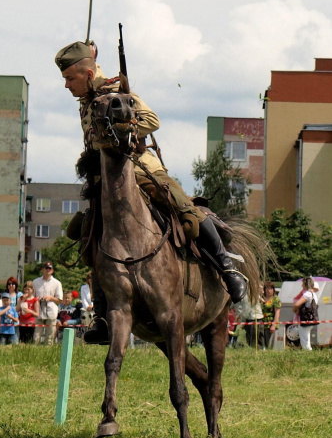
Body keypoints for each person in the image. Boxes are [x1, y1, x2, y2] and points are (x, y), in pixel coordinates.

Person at [55, 40, 247, 343]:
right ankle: (103, 314)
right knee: (89, 232)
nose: (66, 85)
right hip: (106, 178)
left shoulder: (118, 95)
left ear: (87, 74)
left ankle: (227, 269)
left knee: (184, 206)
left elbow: (152, 120)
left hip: (140, 166)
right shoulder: (87, 100)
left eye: (70, 78)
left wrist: (123, 129)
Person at [32, 261, 63, 345]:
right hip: (39, 310)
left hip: (51, 310)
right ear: (42, 269)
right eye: (46, 268)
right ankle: (34, 351)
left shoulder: (57, 283)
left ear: (52, 270)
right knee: (37, 335)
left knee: (50, 336)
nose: (48, 270)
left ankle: (48, 352)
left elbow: (60, 299)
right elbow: (31, 297)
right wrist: (36, 299)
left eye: (50, 268)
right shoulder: (35, 282)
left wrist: (50, 298)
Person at [293, 277, 319, 351]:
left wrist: (295, 310)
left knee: (304, 339)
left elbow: (297, 304)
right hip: (311, 318)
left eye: (303, 284)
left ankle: (307, 353)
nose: (302, 285)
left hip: (305, 318)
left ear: (306, 285)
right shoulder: (314, 294)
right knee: (306, 337)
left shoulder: (307, 294)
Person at [261, 281, 281, 350]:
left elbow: (277, 313)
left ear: (273, 290)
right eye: (266, 289)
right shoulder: (262, 298)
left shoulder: (276, 299)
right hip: (261, 323)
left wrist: (273, 325)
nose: (268, 291)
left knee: (269, 344)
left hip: (270, 323)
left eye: (270, 289)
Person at [5, 277, 23, 342]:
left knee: (14, 340)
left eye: (13, 284)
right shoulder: (4, 295)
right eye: (9, 284)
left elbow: (18, 307)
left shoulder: (19, 295)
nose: (11, 286)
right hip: (5, 320)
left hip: (15, 320)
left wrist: (9, 310)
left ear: (16, 285)